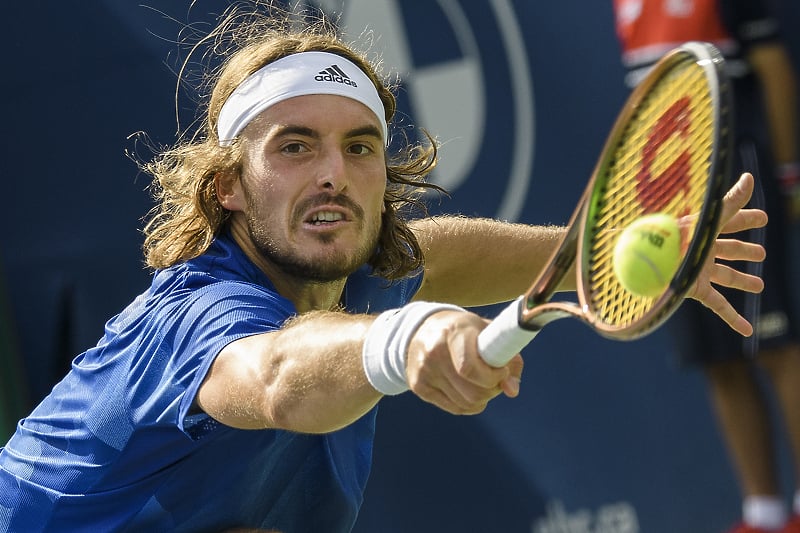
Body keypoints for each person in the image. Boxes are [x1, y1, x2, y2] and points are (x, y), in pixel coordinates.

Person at [0, 2, 768, 531]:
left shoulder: (357, 266)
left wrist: (597, 247)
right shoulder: (201, 314)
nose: (333, 173)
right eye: (295, 145)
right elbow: (274, 372)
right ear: (227, 185)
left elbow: (445, 255)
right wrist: (405, 337)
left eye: (359, 147)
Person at [612, 1, 800, 532]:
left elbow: (772, 68)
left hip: (739, 170)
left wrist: (786, 175)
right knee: (716, 351)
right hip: (665, 189)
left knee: (775, 342)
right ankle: (762, 514)